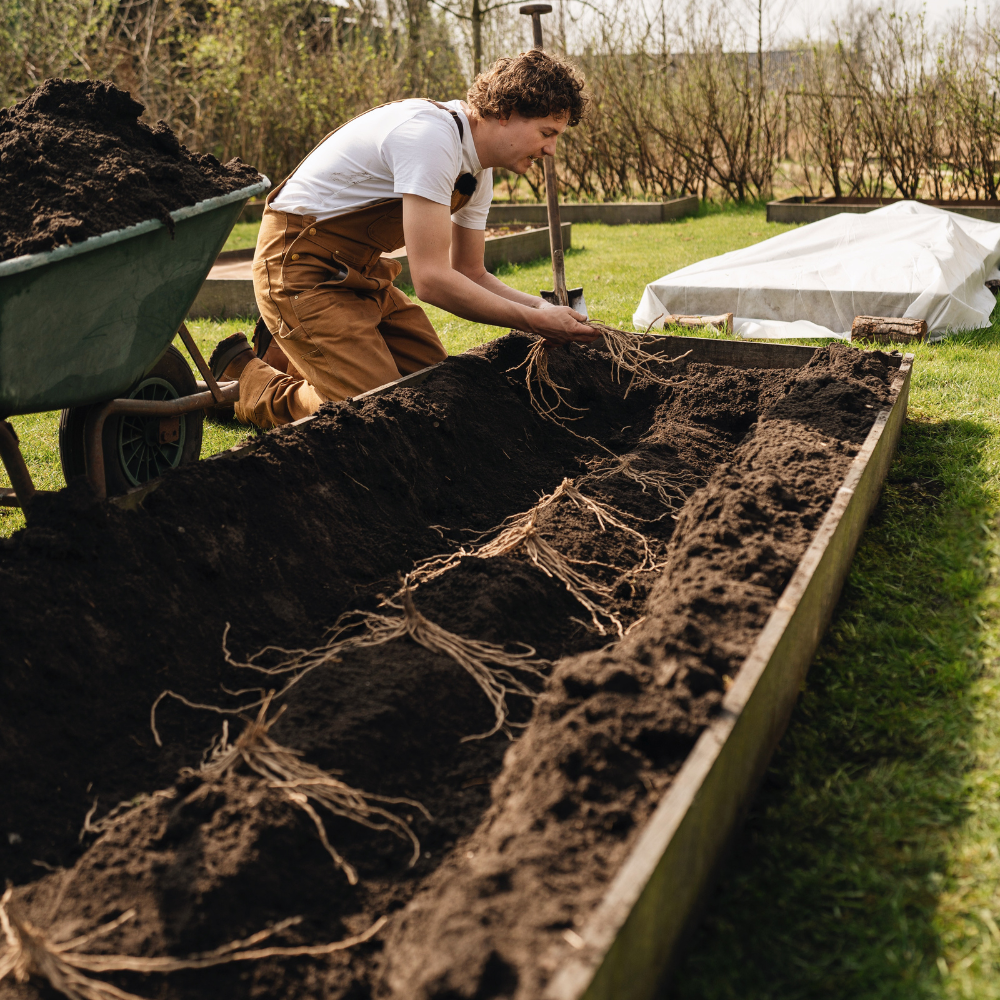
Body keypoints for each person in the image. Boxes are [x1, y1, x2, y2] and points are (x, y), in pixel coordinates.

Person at [208, 49, 597, 429]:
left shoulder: (478, 173)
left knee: (434, 386)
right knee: (373, 409)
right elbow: (431, 281)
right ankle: (248, 379)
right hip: (299, 269)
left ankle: (296, 352)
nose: (550, 149)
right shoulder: (431, 138)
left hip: (359, 275)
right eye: (547, 133)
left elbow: (470, 272)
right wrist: (534, 322)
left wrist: (544, 311)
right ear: (506, 113)